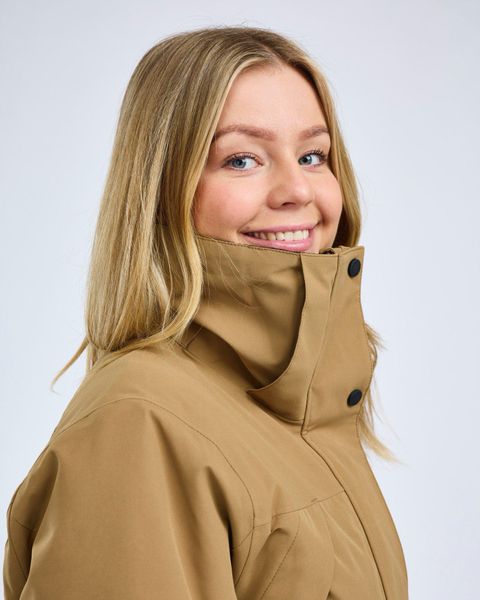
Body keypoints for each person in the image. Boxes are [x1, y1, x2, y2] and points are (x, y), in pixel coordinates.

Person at [3, 25, 408, 599]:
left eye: (313, 155)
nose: (297, 189)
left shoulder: (300, 408)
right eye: (242, 159)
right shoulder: (140, 425)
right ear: (163, 188)